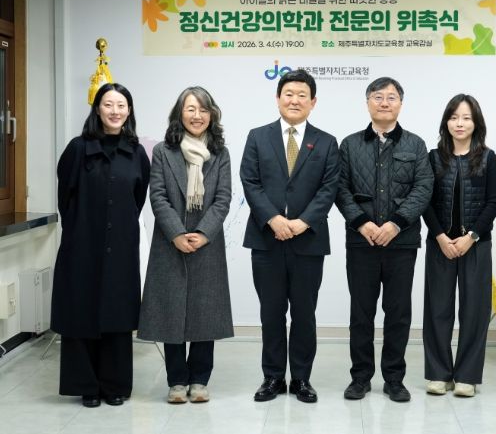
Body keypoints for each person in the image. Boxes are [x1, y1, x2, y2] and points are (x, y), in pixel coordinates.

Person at [240, 69, 339, 403]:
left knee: (304, 313)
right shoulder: (258, 136)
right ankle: (272, 377)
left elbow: (329, 187)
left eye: (302, 95)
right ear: (278, 98)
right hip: (266, 239)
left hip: (307, 241)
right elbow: (250, 181)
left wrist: (303, 222)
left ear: (313, 102)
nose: (294, 100)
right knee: (271, 312)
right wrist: (273, 219)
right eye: (289, 94)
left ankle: (301, 378)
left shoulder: (326, 142)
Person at [51, 83, 150, 408]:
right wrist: (80, 230)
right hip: (82, 243)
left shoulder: (136, 153)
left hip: (121, 245)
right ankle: (87, 386)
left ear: (129, 111)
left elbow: (137, 199)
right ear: (97, 109)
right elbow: (65, 197)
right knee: (81, 310)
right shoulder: (78, 148)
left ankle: (115, 385)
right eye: (108, 104)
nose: (115, 111)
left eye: (121, 105)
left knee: (116, 312)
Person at [335, 77, 433, 402]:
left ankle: (394, 379)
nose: (384, 102)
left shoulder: (416, 145)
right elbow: (340, 188)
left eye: (392, 97)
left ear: (400, 104)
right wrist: (361, 223)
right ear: (368, 103)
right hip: (361, 242)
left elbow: (423, 188)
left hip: (401, 243)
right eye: (378, 97)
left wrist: (396, 224)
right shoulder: (350, 144)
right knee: (361, 313)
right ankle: (360, 377)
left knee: (398, 313)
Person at [138, 86, 233, 404]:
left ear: (212, 115)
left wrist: (204, 232)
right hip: (170, 242)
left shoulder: (220, 153)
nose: (197, 115)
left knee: (206, 312)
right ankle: (177, 381)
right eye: (191, 109)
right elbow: (158, 196)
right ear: (180, 113)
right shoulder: (163, 152)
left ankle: (200, 380)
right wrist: (176, 233)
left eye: (203, 110)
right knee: (171, 310)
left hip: (207, 243)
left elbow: (223, 198)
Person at [422, 94, 496, 398]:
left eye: (466, 118)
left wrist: (472, 237)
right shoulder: (433, 158)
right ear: (446, 122)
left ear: (476, 123)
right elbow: (425, 202)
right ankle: (438, 374)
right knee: (438, 310)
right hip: (440, 245)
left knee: (474, 311)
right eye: (454, 117)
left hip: (476, 246)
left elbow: (493, 203)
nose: (460, 123)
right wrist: (441, 237)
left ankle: (467, 376)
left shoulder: (488, 158)